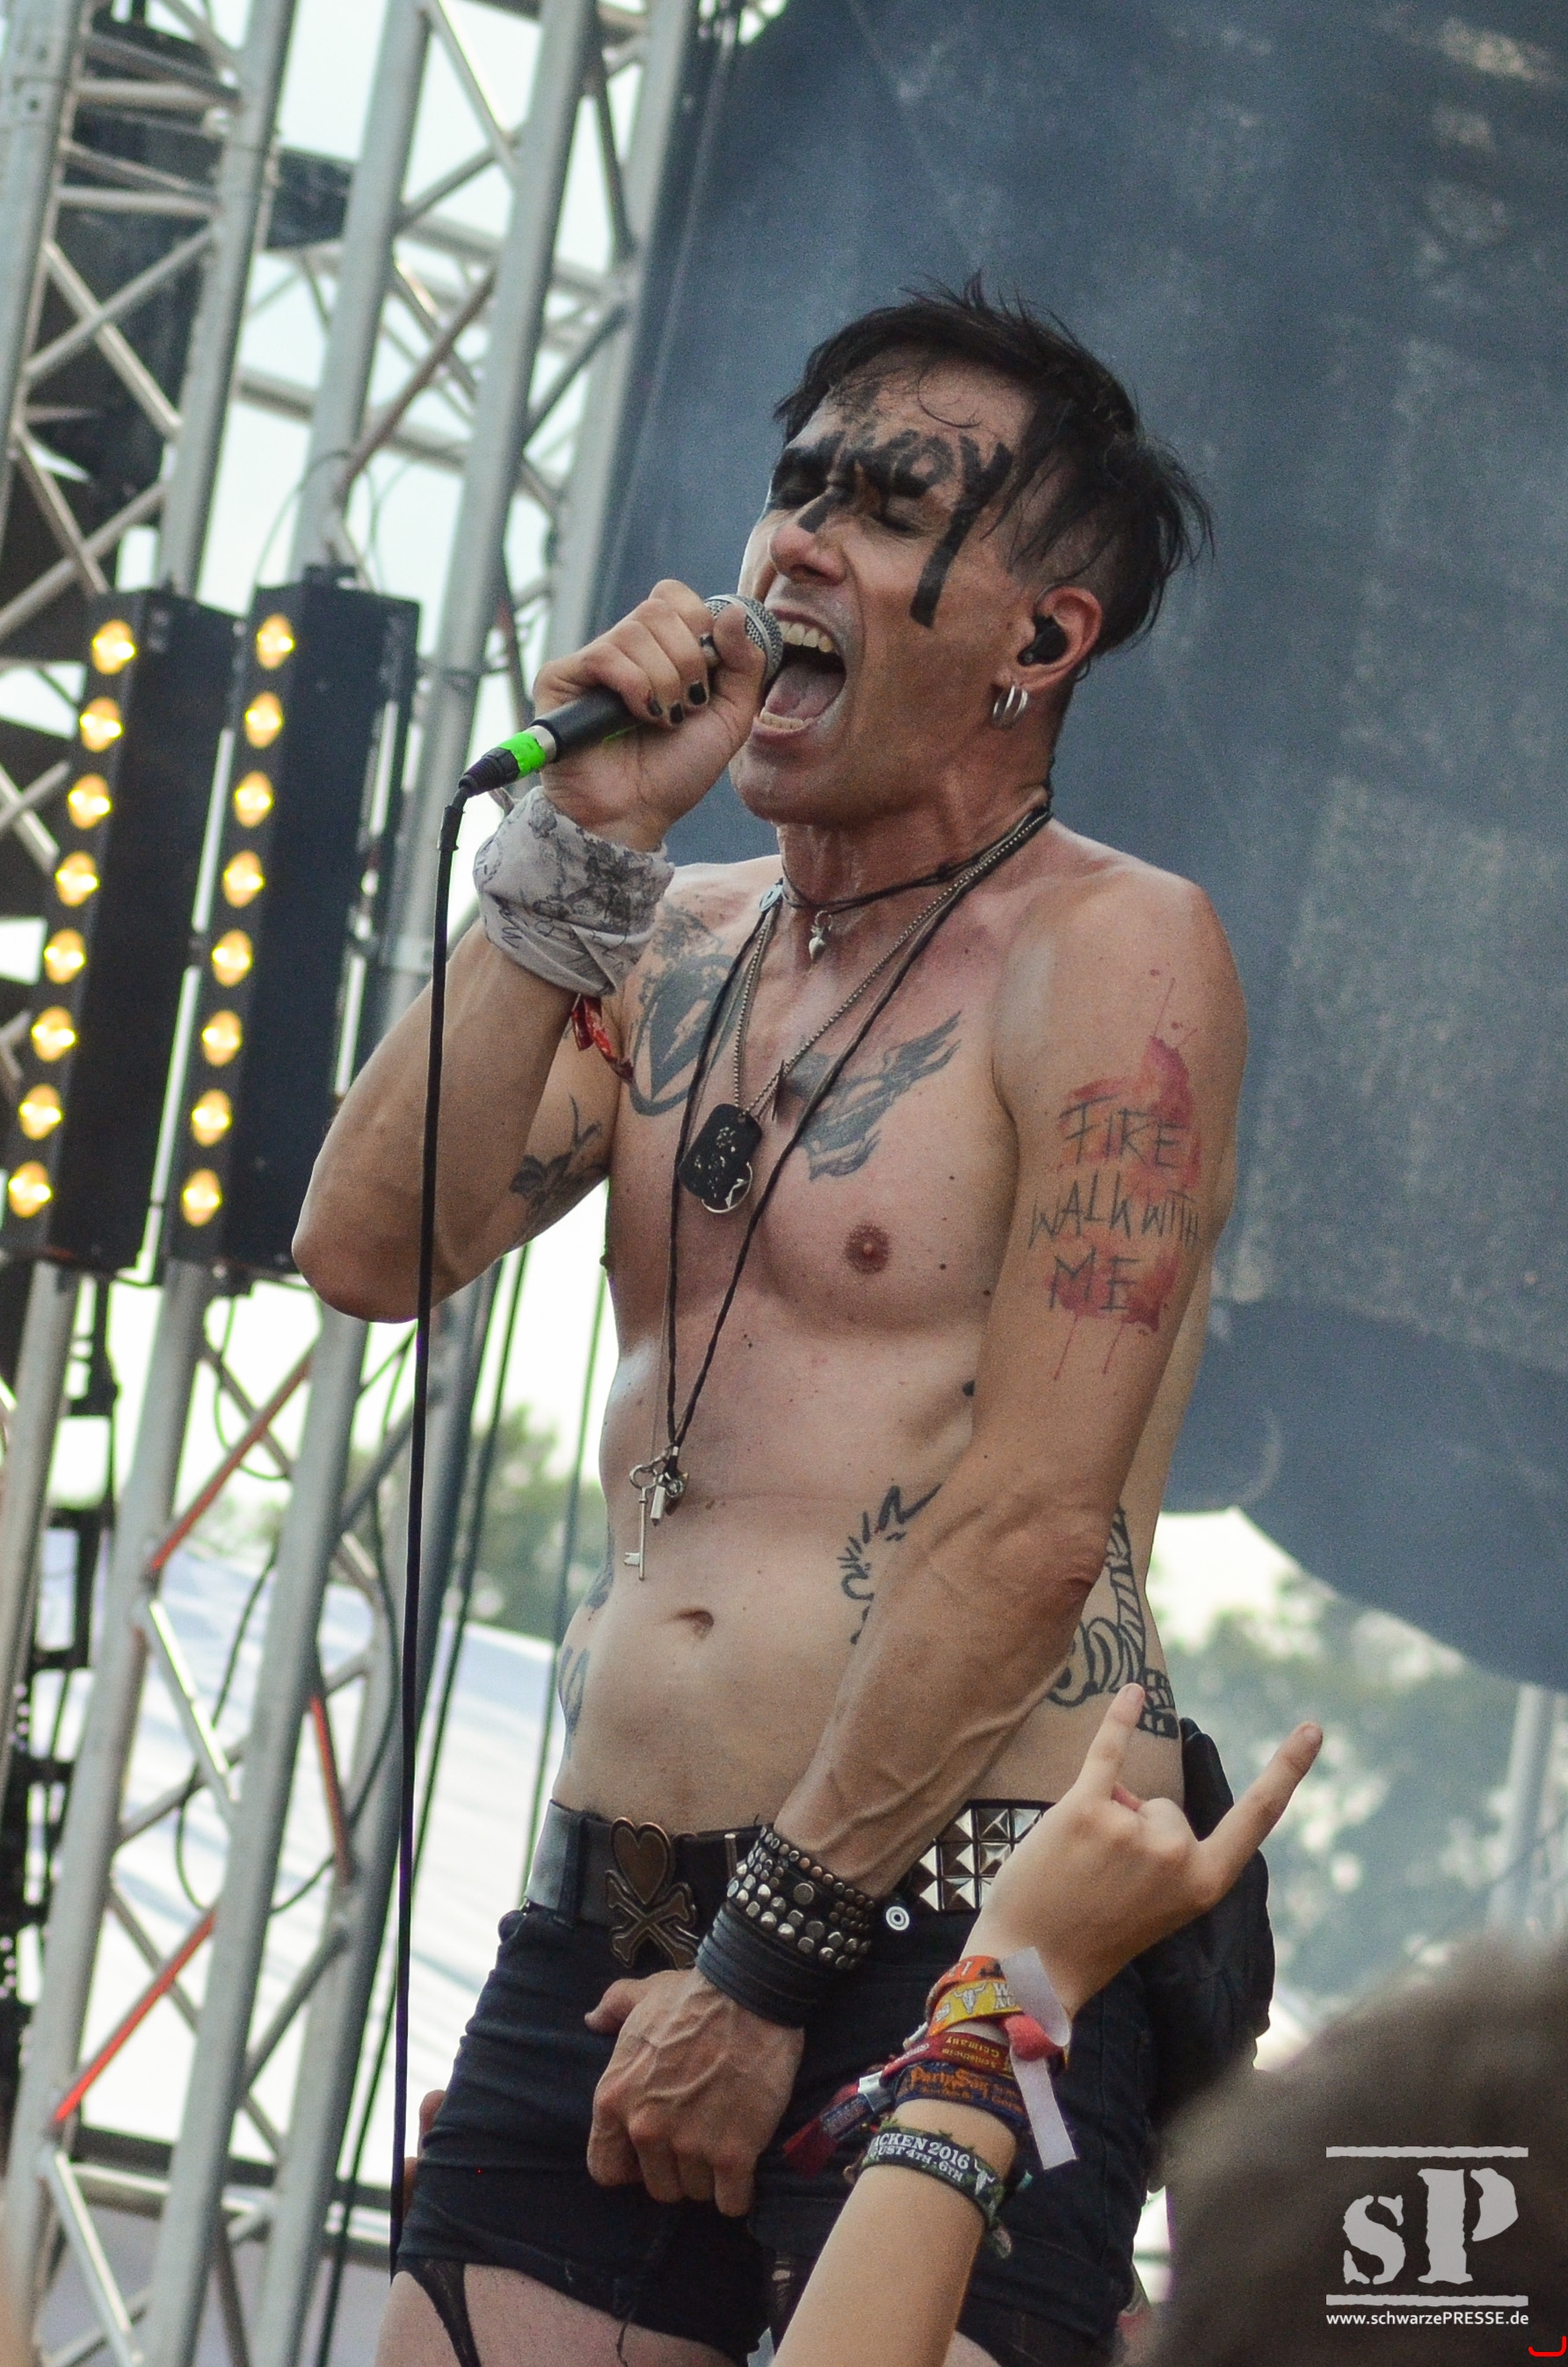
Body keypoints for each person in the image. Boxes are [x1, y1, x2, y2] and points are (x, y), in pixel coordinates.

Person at [298, 282, 1253, 2365]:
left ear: (1038, 640)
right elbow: (369, 1245)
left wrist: (759, 1976)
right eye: (794, 485)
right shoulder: (671, 935)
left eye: (886, 504)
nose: (797, 540)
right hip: (614, 1916)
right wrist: (580, 842)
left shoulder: (1115, 953)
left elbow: (1030, 1526)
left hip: (961, 1920)